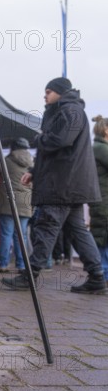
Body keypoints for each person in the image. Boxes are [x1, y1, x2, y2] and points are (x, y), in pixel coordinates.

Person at [2, 77, 106, 294]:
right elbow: (56, 146)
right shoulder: (69, 111)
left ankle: (29, 276)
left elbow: (58, 141)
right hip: (69, 184)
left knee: (46, 227)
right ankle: (97, 277)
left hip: (62, 185)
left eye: (48, 91)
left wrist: (38, 138)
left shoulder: (70, 111)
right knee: (77, 231)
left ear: (60, 92)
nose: (45, 95)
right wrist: (33, 171)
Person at [0, 137, 33, 272]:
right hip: (26, 203)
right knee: (21, 236)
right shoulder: (32, 163)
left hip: (8, 205)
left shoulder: (7, 161)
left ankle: (3, 264)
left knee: (6, 234)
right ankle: (21, 265)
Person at [89, 115, 108, 286]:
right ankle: (102, 274)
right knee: (103, 237)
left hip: (100, 200)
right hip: (104, 202)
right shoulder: (101, 148)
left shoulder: (97, 147)